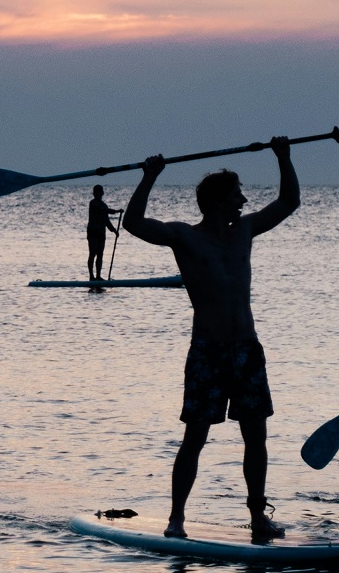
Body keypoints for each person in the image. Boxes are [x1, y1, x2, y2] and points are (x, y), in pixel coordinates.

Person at [122, 139, 299, 543]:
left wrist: (283, 157)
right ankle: (176, 519)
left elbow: (289, 201)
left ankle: (258, 517)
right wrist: (149, 177)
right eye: (237, 193)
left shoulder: (246, 230)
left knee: (256, 437)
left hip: (247, 350)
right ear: (219, 200)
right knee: (195, 437)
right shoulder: (186, 237)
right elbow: (134, 224)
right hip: (208, 351)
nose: (243, 200)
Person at [87, 185, 119, 280]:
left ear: (102, 193)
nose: (98, 194)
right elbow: (103, 210)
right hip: (93, 231)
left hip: (101, 232)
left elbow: (106, 221)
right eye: (96, 192)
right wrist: (116, 211)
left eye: (99, 192)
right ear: (94, 193)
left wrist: (114, 231)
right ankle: (91, 276)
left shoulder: (104, 205)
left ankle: (98, 276)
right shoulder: (93, 203)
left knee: (100, 254)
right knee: (93, 253)